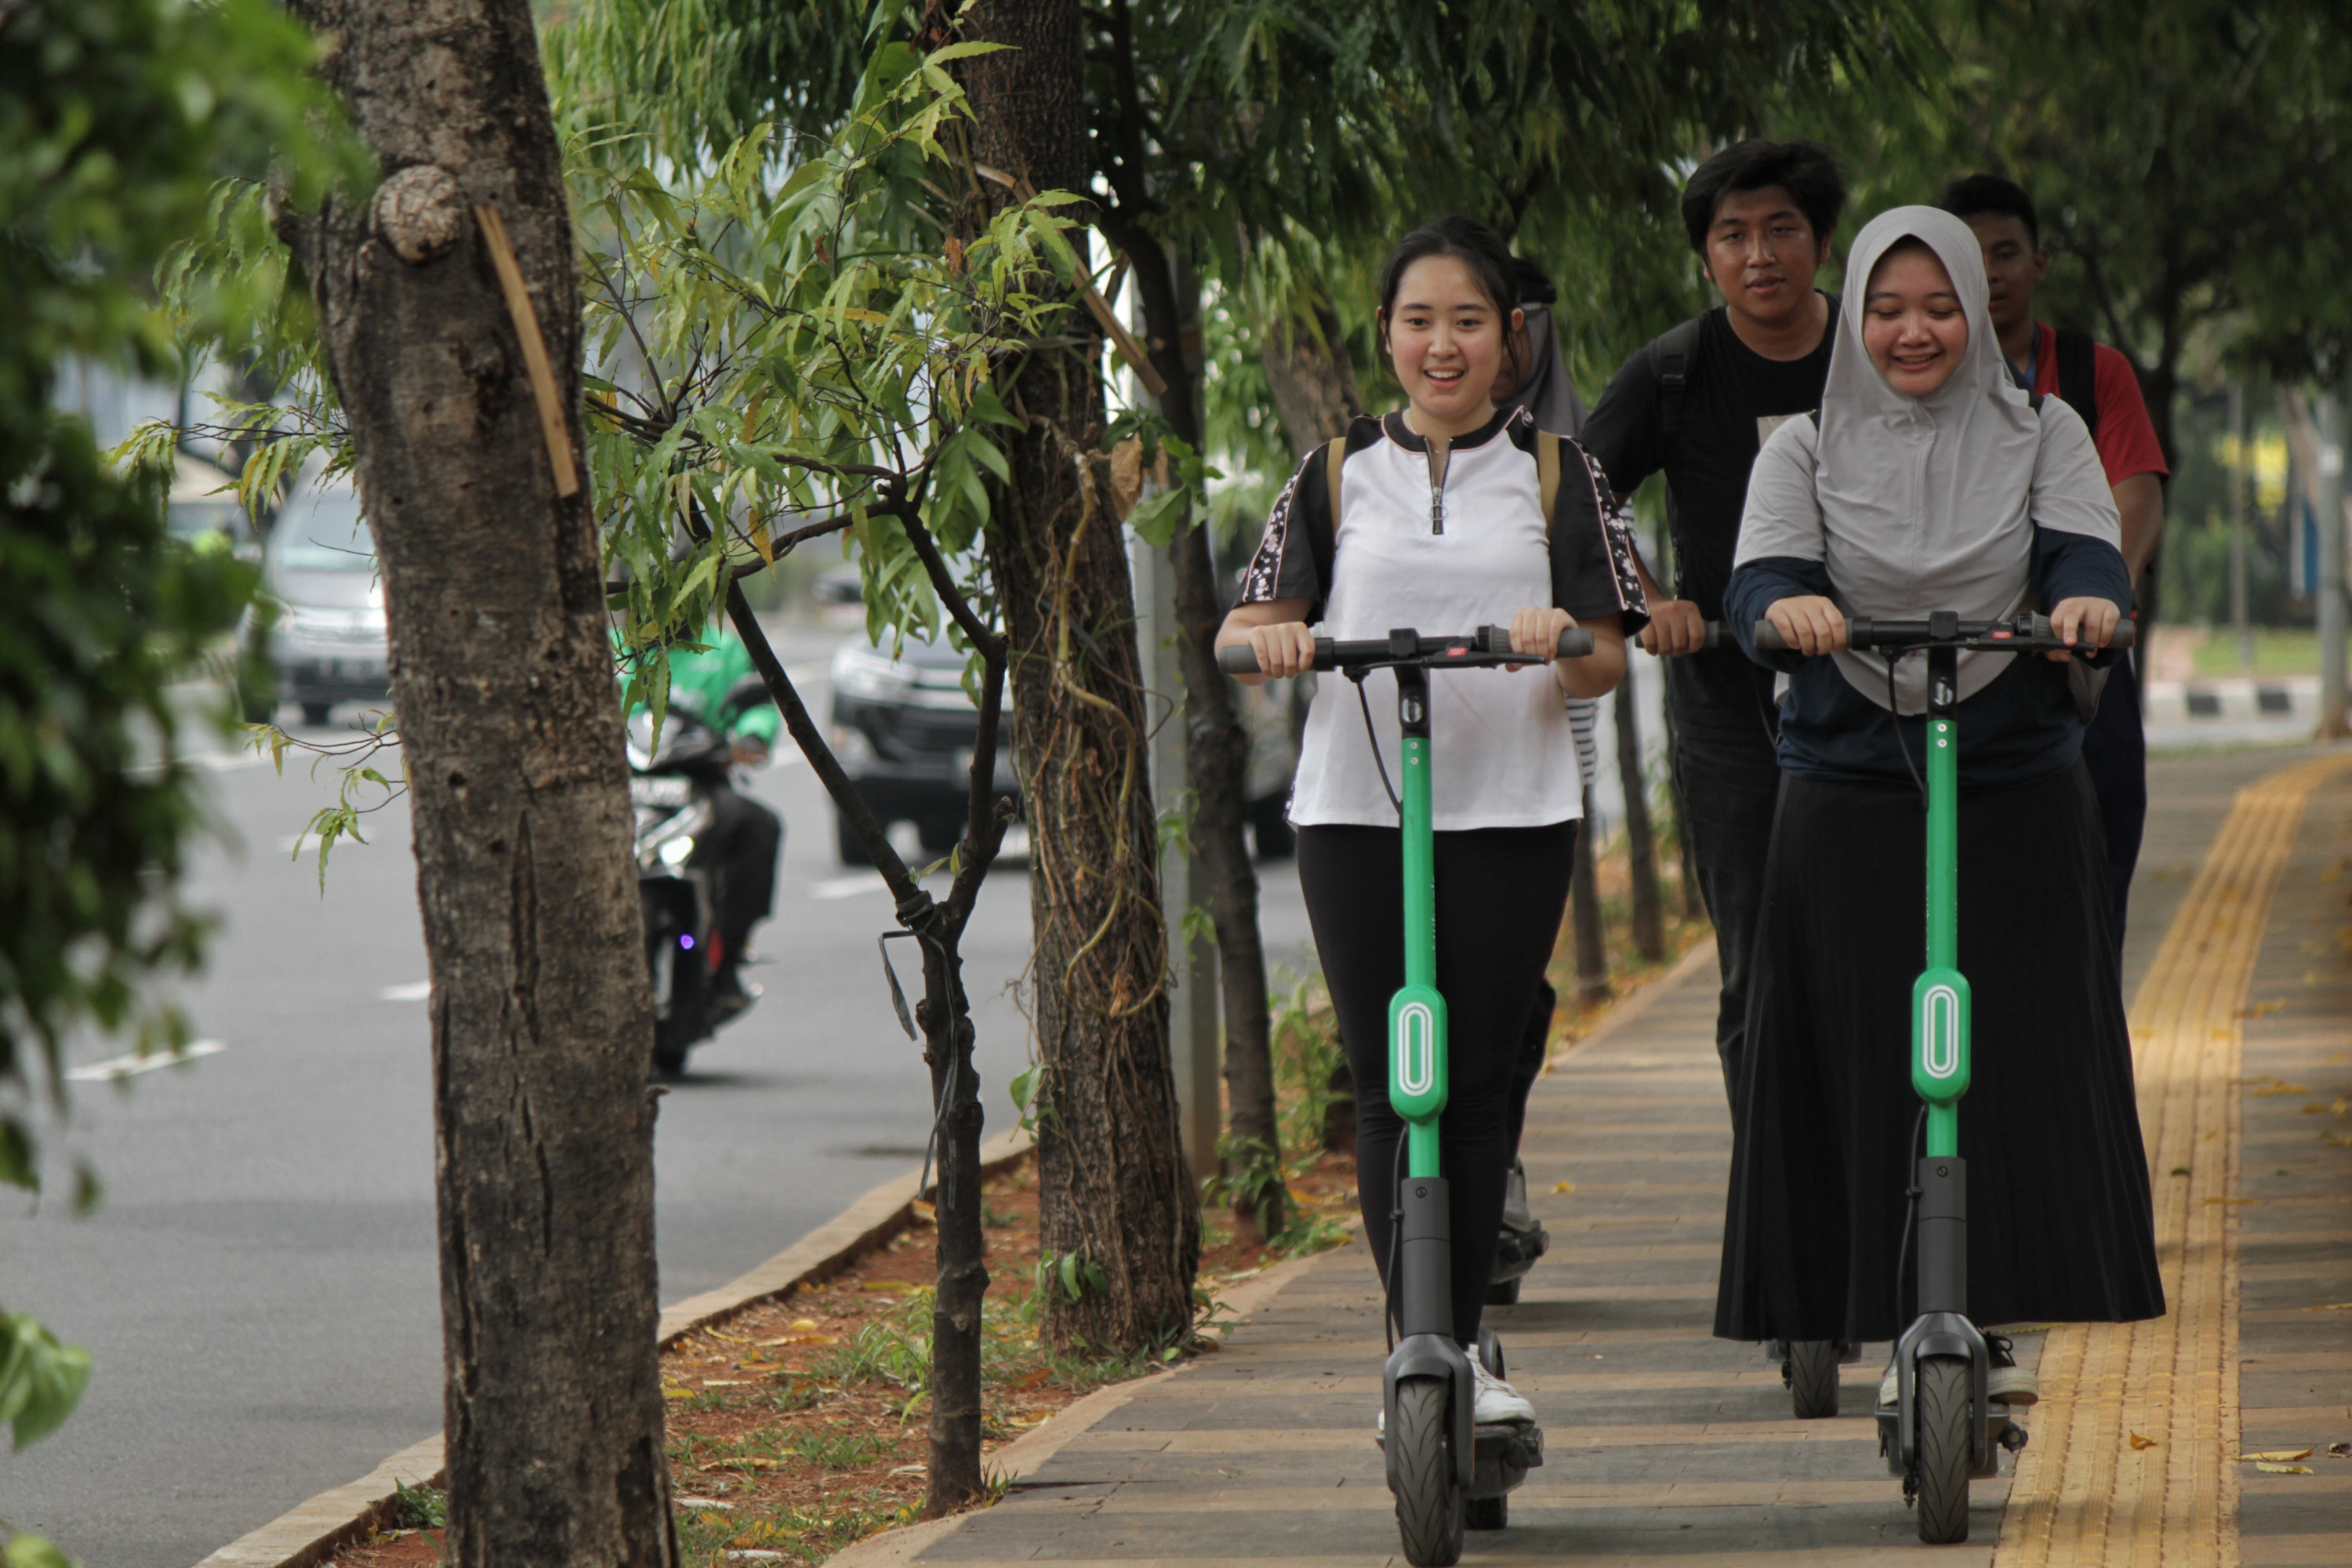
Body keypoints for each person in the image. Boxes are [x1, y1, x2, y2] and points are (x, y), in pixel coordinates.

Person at [1714, 209, 2165, 1403]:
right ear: (1853, 319)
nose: (1914, 331)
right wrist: (1788, 612)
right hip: (1848, 774)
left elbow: (2084, 553)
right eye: (1887, 308)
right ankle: (1827, 1295)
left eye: (1939, 306)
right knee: (1833, 1042)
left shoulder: (2044, 428)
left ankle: (1995, 1289)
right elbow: (1761, 577)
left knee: (2017, 1047)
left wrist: (2086, 608)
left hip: (2011, 768)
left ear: (1976, 310)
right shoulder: (1801, 449)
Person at [1220, 216, 1646, 1424]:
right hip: (1356, 813)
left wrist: (1555, 641)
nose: (1443, 345)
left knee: (1469, 1085)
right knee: (1385, 1081)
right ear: (1386, 336)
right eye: (1420, 322)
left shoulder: (1562, 474)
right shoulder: (1335, 475)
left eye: (1469, 321)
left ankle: (1455, 1348)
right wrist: (1279, 640)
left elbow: (1608, 658)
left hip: (1512, 815)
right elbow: (1242, 628)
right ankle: (1417, 1347)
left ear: (1510, 338)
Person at [1577, 140, 1846, 1109]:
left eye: (1782, 229)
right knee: (1760, 958)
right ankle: (1772, 1201)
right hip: (1731, 708)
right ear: (1706, 259)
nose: (1759, 254)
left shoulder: (1880, 355)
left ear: (1823, 240)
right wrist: (1648, 597)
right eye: (1732, 235)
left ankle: (1890, 1187)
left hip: (1879, 694)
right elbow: (1578, 490)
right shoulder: (1673, 370)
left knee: (1883, 944)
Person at [1942, 174, 2170, 950]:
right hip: (1959, 671)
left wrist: (2099, 598)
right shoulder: (1915, 383)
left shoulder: (2089, 372)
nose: (1992, 274)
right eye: (1971, 259)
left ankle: (2091, 1061)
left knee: (2093, 883)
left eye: (2007, 254)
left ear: (2039, 263)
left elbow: (2136, 495)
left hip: (2078, 665)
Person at [630, 618, 784, 1014]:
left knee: (757, 827)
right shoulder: (615, 648)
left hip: (698, 782)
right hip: (622, 786)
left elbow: (757, 708)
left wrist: (752, 737)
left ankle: (728, 955)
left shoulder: (725, 649)